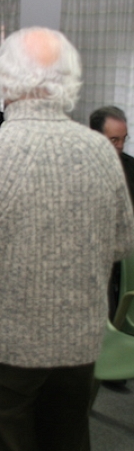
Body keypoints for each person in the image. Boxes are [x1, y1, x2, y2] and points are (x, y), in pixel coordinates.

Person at [0, 27, 134, 451]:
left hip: (4, 346)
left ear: (5, 86)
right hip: (79, 340)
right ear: (71, 83)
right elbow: (121, 243)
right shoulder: (100, 151)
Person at [90, 105, 134, 319]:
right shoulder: (80, 169)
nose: (120, 146)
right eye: (114, 140)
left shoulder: (131, 168)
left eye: (124, 139)